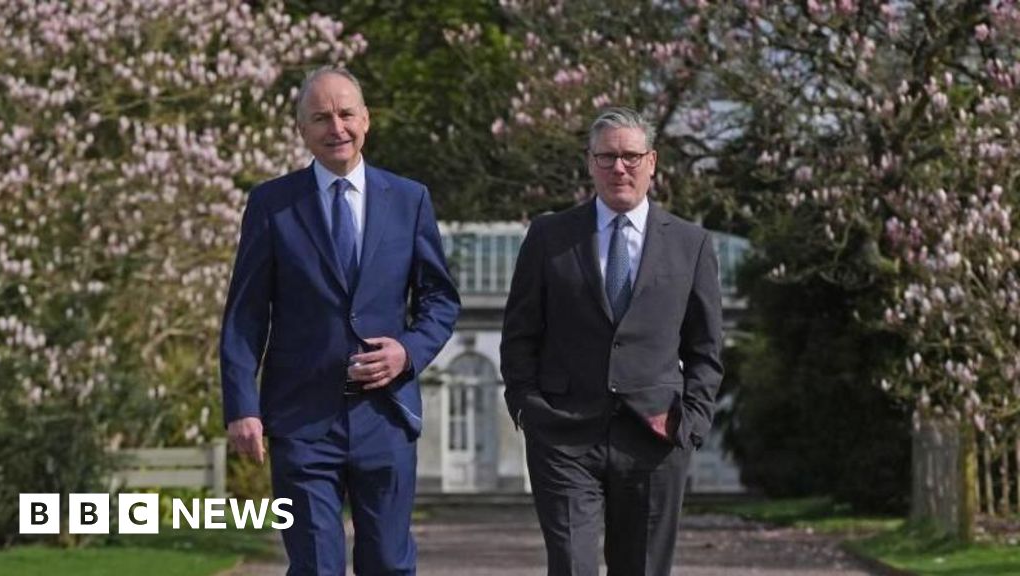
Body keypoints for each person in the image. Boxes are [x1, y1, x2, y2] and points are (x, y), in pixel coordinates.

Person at [219, 66, 460, 576]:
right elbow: (245, 315)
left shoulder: (410, 199)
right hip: (301, 421)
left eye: (346, 114)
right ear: (302, 130)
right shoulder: (272, 204)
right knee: (314, 567)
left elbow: (439, 299)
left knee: (388, 563)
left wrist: (408, 351)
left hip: (386, 417)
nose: (337, 128)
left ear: (366, 119)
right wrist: (242, 407)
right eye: (321, 118)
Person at [500, 107, 724, 576]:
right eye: (606, 157)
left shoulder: (691, 244)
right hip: (563, 433)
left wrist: (692, 422)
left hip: (655, 436)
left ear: (652, 162)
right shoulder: (549, 236)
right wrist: (527, 406)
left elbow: (705, 348)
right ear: (590, 163)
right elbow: (520, 333)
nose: (619, 168)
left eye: (630, 156)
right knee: (572, 565)